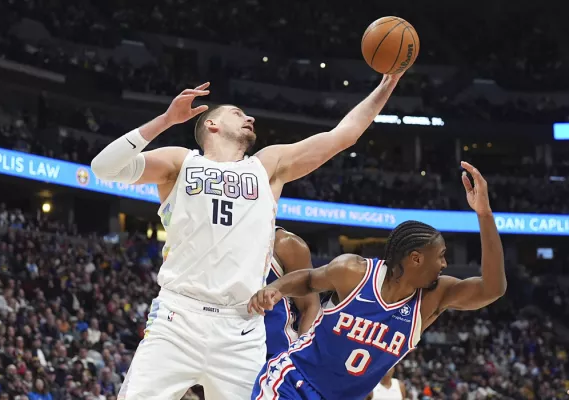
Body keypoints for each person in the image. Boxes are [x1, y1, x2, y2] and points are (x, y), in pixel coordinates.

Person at [91, 74, 404, 400]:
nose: (250, 117)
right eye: (239, 113)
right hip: (177, 319)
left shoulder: (267, 166)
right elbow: (104, 168)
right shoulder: (180, 161)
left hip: (241, 329)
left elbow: (344, 136)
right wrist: (166, 120)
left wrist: (386, 86)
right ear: (211, 124)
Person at [248, 162, 506, 400]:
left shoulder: (433, 298)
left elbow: (493, 288)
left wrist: (484, 215)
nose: (445, 264)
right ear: (416, 259)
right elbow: (308, 279)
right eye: (440, 256)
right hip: (292, 383)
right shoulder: (354, 272)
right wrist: (275, 288)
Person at [264, 227, 320, 360]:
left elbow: (310, 305)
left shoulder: (285, 244)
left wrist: (302, 356)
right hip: (224, 343)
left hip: (277, 353)